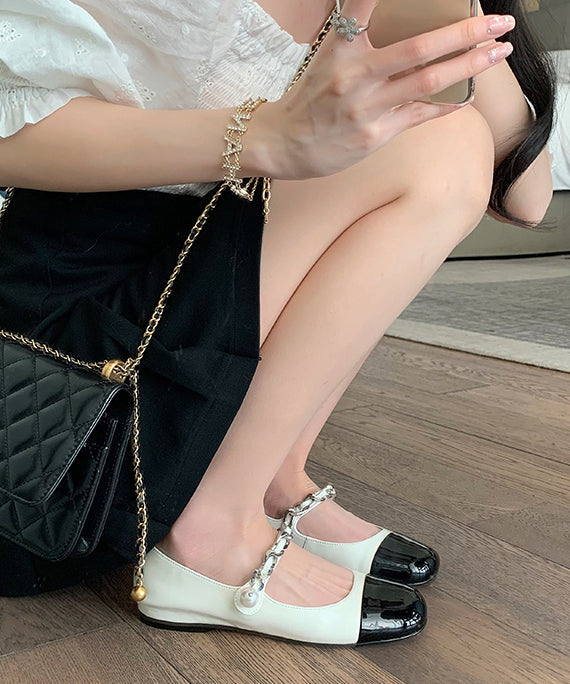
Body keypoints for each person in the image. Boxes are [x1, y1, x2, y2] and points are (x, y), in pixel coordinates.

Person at [0, 0, 555, 646]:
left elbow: (527, 198)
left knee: (450, 142)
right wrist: (266, 138)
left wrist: (470, 18)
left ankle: (267, 479)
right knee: (436, 145)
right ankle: (210, 532)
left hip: (182, 292)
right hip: (62, 374)